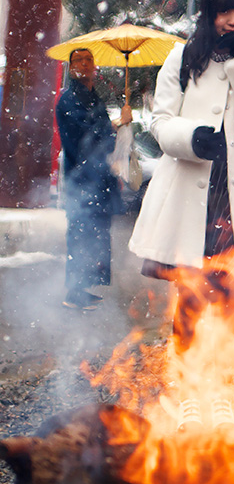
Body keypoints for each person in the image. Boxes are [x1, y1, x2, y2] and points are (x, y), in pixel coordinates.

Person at [128, 0, 234, 426]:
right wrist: (192, 138)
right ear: (209, 13)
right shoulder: (183, 57)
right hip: (191, 193)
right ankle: (190, 393)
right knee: (191, 298)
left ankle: (220, 390)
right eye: (224, 11)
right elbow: (159, 122)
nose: (233, 20)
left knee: (230, 299)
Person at [56, 48, 132, 310]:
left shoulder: (93, 97)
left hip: (98, 179)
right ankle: (74, 292)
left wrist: (119, 127)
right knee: (81, 233)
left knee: (96, 233)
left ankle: (83, 287)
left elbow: (105, 140)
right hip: (82, 180)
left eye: (89, 59)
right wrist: (112, 126)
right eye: (79, 60)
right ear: (71, 67)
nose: (85, 64)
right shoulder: (67, 100)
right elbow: (83, 137)